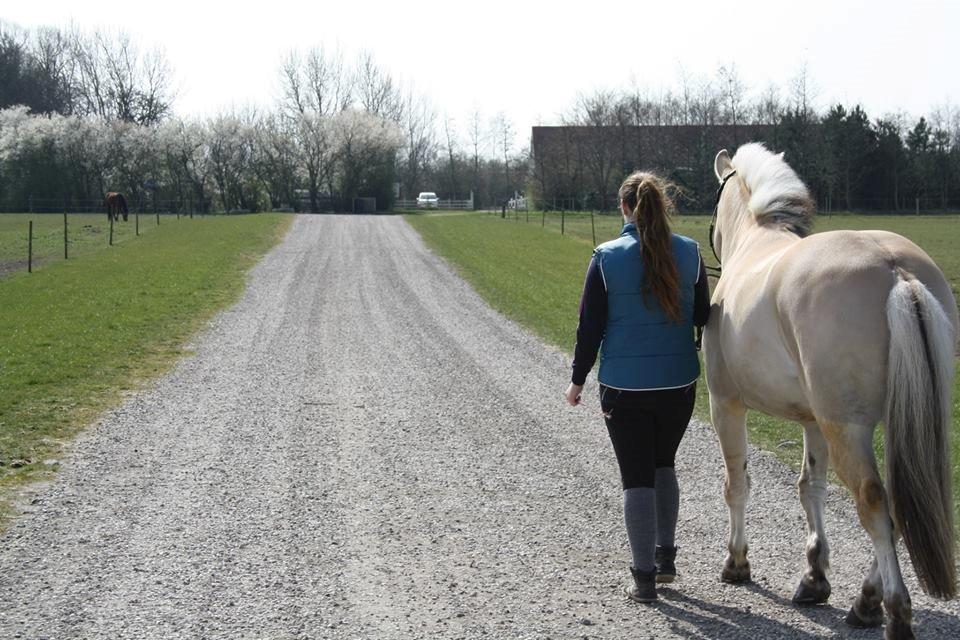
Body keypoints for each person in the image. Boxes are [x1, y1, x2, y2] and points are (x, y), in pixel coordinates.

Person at [564, 171, 710, 603]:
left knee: (636, 479)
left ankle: (644, 580)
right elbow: (702, 315)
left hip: (624, 390)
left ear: (625, 209)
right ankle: (665, 560)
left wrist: (576, 382)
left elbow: (589, 329)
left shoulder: (606, 258)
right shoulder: (690, 253)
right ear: (662, 207)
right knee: (663, 463)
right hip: (679, 385)